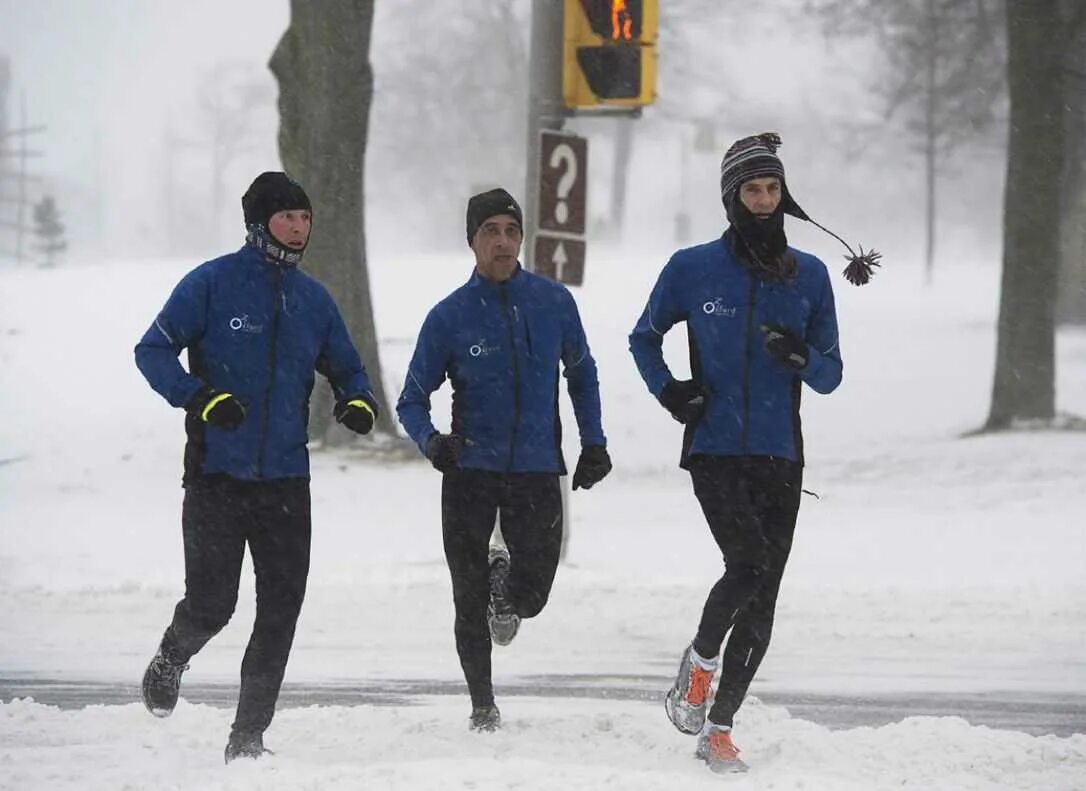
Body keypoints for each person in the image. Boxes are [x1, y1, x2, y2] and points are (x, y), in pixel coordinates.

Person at [628, 133, 879, 773]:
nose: (763, 201)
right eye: (752, 189)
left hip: (780, 453)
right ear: (731, 197)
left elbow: (830, 376)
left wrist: (800, 356)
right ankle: (700, 663)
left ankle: (718, 729)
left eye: (772, 189)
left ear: (784, 195)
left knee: (764, 598)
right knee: (747, 563)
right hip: (712, 447)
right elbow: (644, 338)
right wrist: (670, 392)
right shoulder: (692, 269)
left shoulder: (811, 276)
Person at [134, 171, 380, 763]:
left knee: (280, 610)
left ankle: (247, 737)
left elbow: (348, 367)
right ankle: (173, 653)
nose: (300, 226)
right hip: (217, 477)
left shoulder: (314, 299)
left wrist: (357, 400)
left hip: (286, 483)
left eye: (306, 216)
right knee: (213, 604)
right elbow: (152, 350)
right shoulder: (213, 285)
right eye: (288, 215)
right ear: (258, 222)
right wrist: (200, 397)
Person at [396, 188, 612, 732]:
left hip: (537, 469)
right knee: (466, 597)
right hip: (470, 471)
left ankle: (509, 590)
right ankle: (482, 705)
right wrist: (432, 442)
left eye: (511, 231)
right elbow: (410, 399)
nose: (502, 241)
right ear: (472, 240)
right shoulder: (449, 316)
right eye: (490, 231)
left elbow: (582, 374)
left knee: (534, 593)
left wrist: (594, 443)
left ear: (522, 238)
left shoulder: (553, 303)